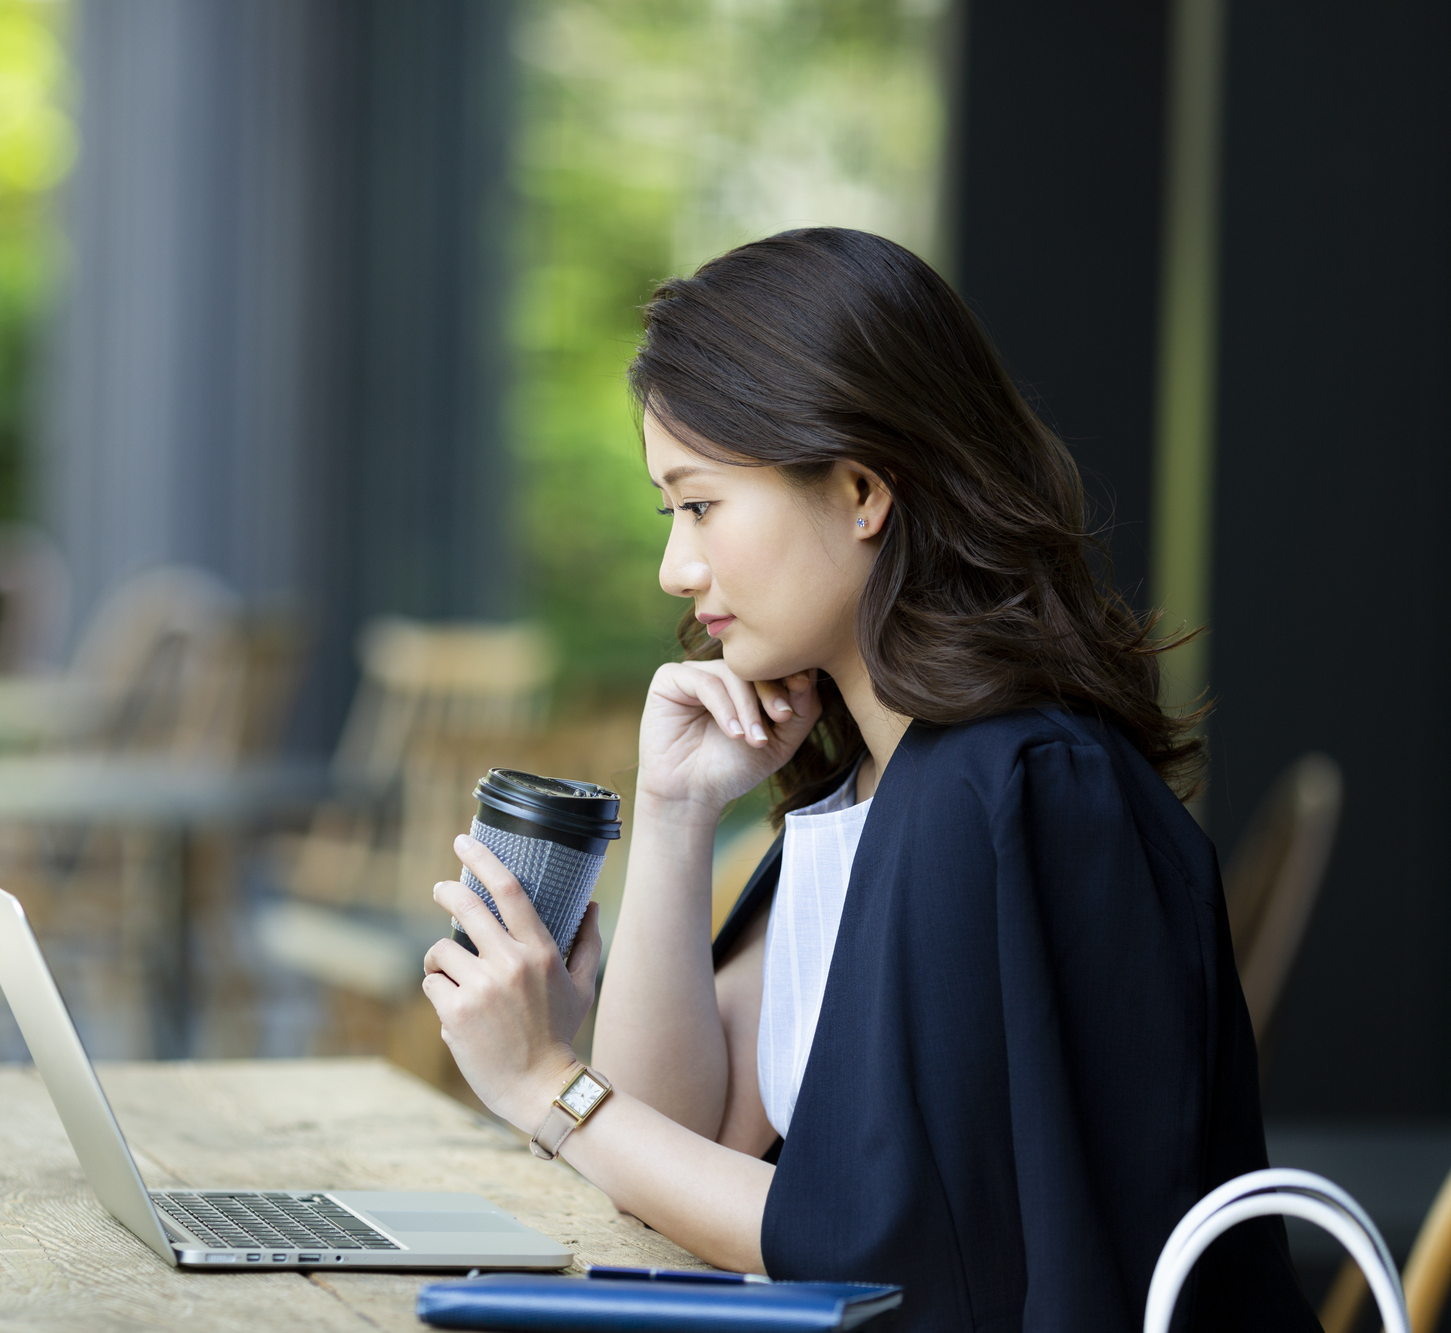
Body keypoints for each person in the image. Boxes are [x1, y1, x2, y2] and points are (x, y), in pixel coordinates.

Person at [417, 228, 1318, 1330]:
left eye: (699, 505)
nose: (673, 566)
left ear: (857, 489)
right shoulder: (875, 785)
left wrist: (544, 1084)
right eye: (670, 514)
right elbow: (668, 1148)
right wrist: (676, 806)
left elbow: (874, 1256)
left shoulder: (1015, 785)